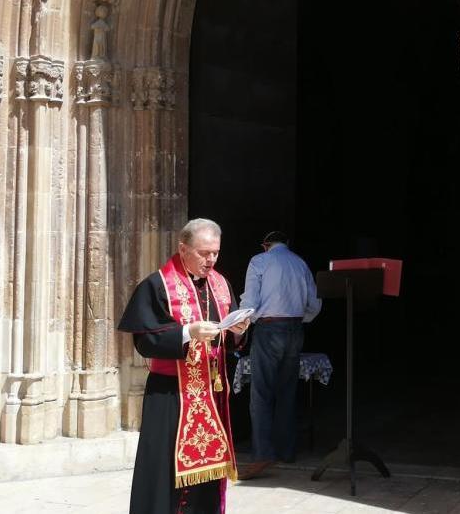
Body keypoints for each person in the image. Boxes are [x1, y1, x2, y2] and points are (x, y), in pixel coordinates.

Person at [117, 218, 250, 513]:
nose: (211, 260)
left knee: (208, 480)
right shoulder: (157, 285)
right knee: (164, 475)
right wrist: (188, 333)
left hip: (211, 395)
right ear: (182, 248)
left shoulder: (221, 284)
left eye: (215, 252)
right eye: (204, 253)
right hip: (171, 398)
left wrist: (238, 331)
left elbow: (227, 336)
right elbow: (145, 342)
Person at [235, 230, 322, 479]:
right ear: (287, 243)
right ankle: (286, 451)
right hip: (295, 329)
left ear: (265, 245)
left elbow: (250, 300)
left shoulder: (259, 261)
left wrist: (242, 326)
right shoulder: (300, 262)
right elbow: (314, 304)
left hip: (269, 328)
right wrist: (298, 319)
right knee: (287, 391)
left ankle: (262, 453)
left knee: (261, 393)